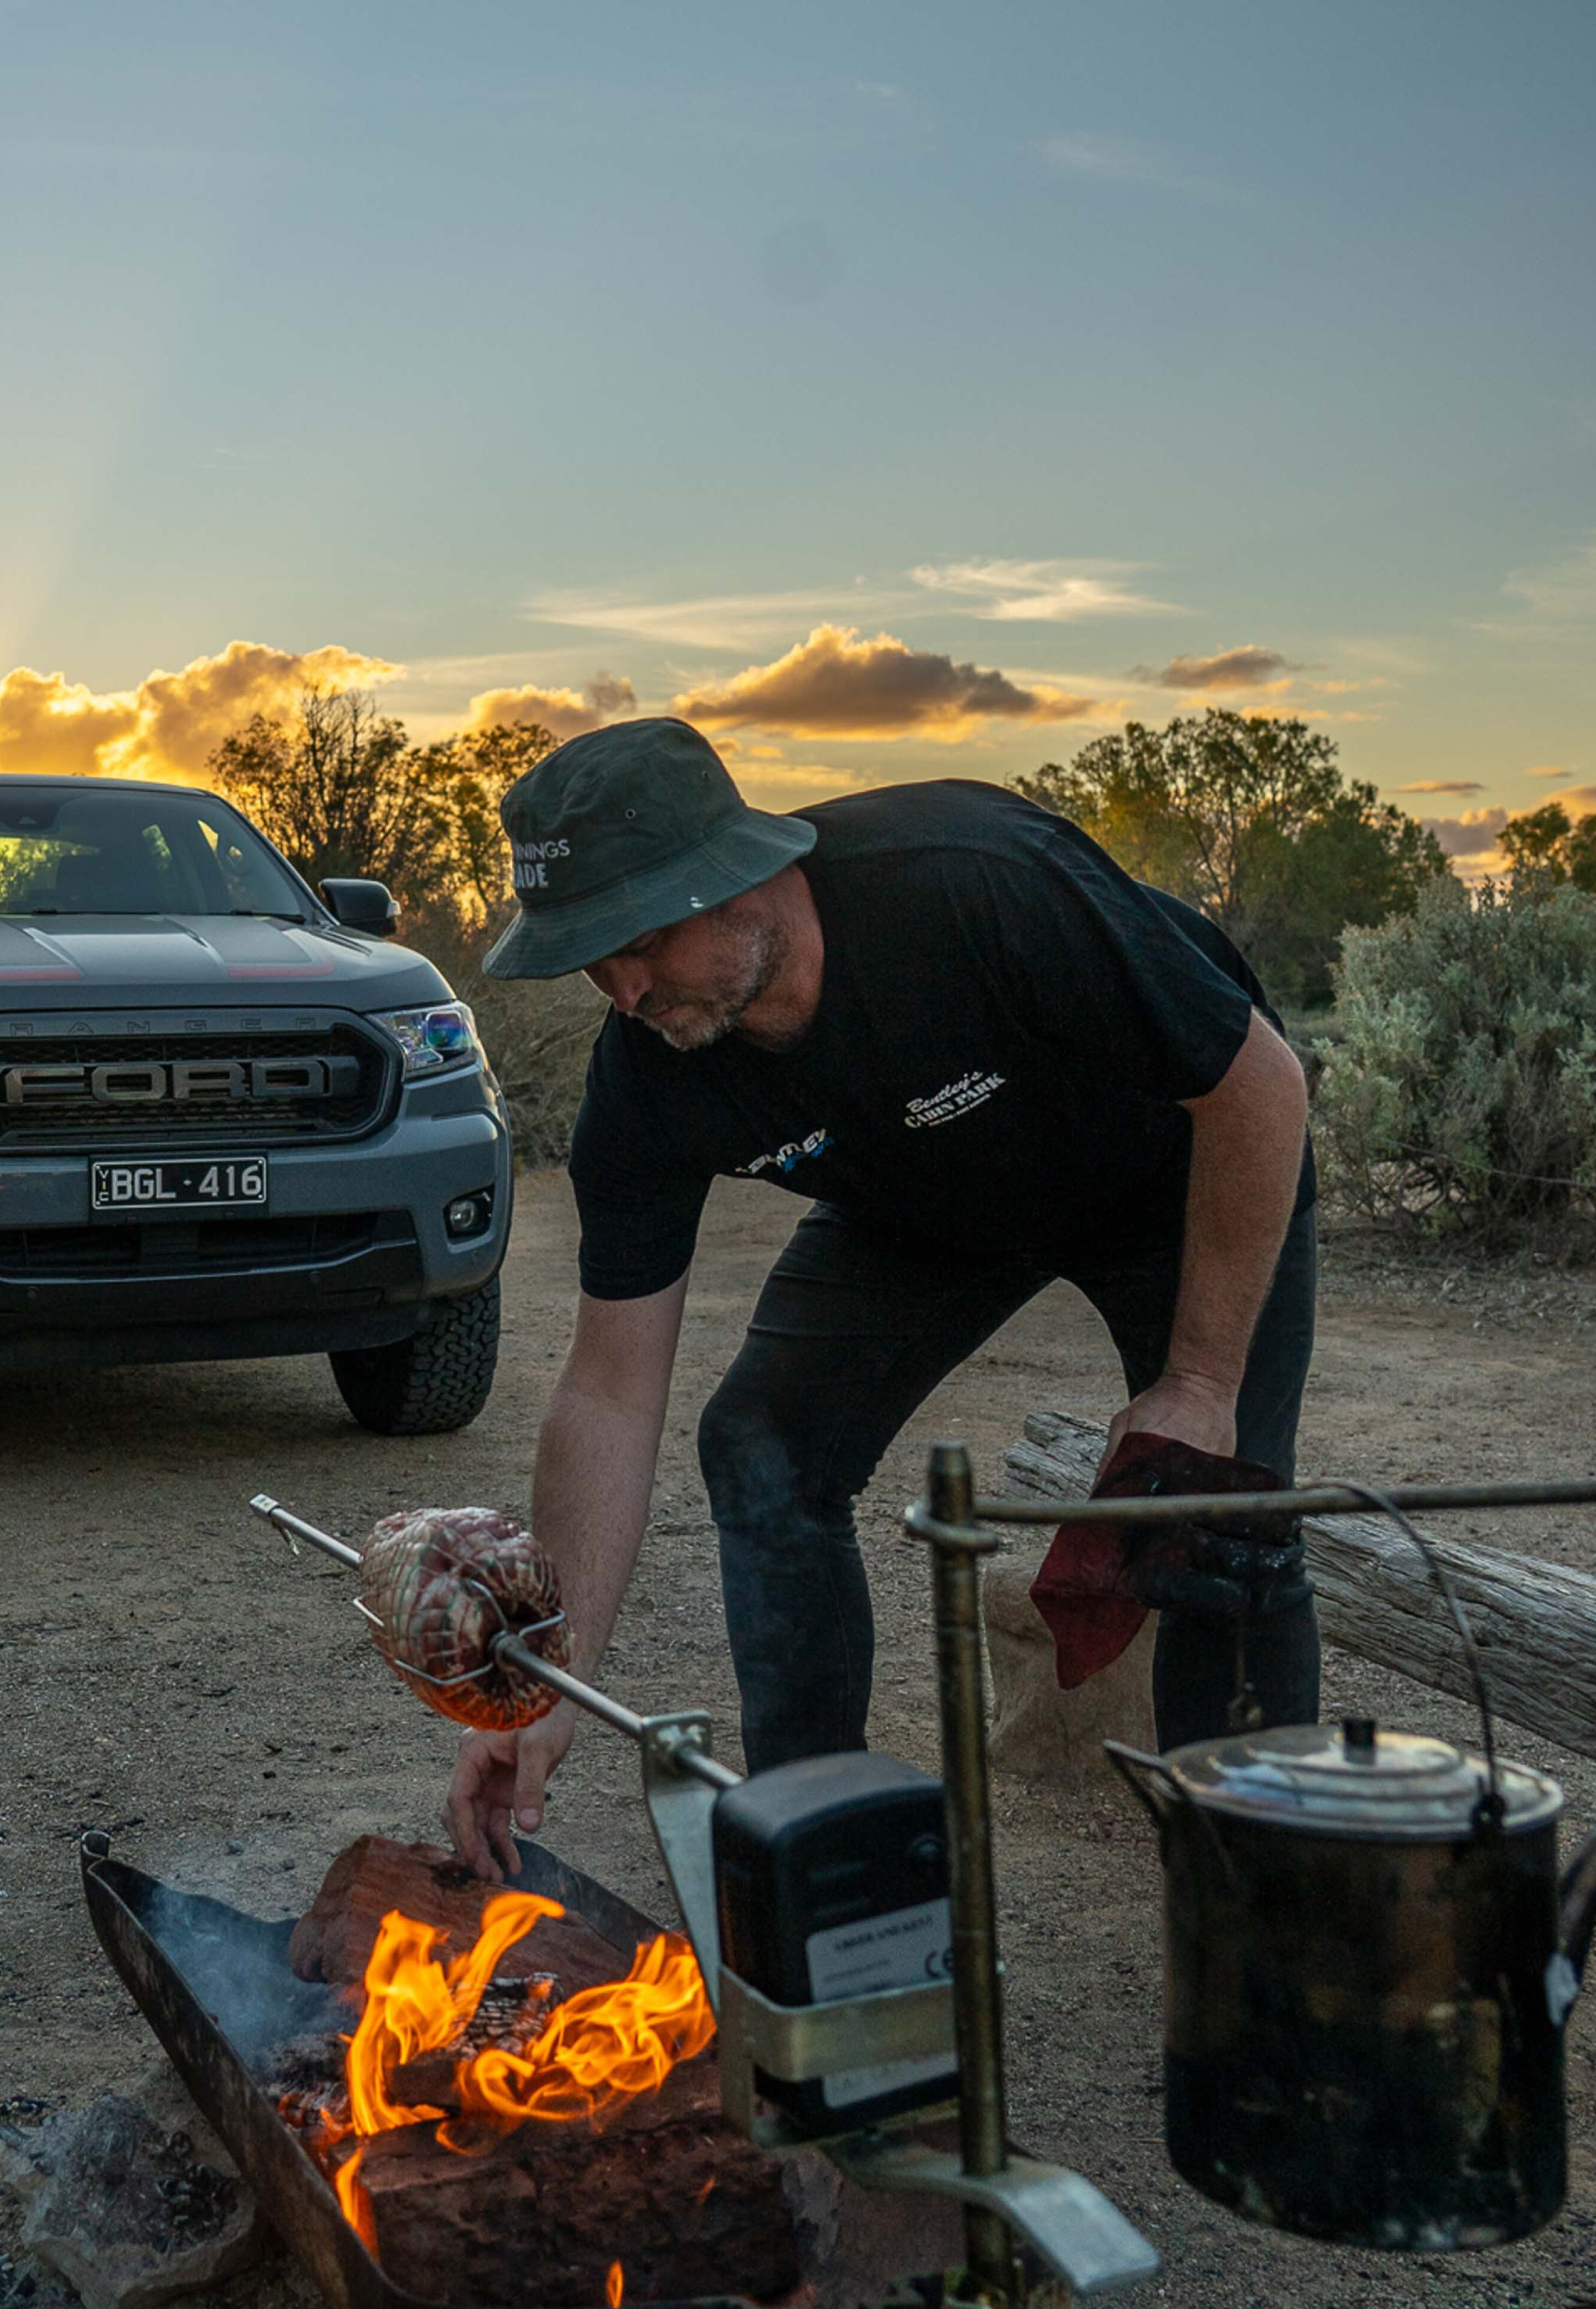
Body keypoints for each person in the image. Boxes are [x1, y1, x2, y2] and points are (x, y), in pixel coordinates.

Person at [444, 717, 1317, 1879]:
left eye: (642, 938)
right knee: (761, 1440)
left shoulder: (968, 887)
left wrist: (1197, 1385)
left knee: (1218, 1516)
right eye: (590, 957)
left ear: (742, 875)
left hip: (1176, 1174)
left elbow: (1257, 1085)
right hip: (929, 1211)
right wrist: (538, 1680)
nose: (624, 986)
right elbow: (606, 1391)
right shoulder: (648, 1080)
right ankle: (824, 1844)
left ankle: (1255, 1906)